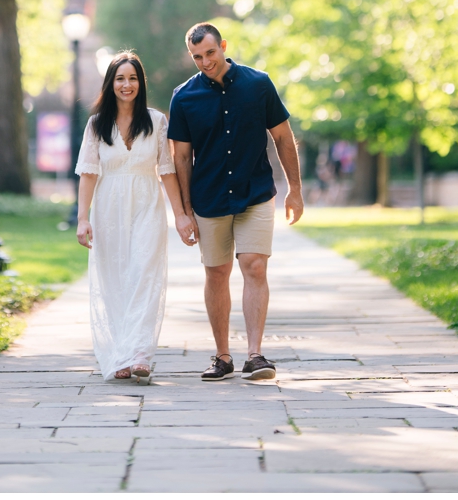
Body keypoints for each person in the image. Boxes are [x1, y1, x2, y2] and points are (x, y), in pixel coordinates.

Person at [168, 21, 304, 382]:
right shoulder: (183, 97)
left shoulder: (258, 84)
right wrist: (182, 212)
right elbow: (180, 159)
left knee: (254, 266)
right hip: (208, 198)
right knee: (216, 273)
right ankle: (222, 356)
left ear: (223, 46)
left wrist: (295, 189)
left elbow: (284, 138)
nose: (205, 62)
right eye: (197, 57)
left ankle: (256, 355)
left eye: (210, 53)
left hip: (255, 193)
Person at [75, 51, 192, 383]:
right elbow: (88, 173)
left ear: (141, 83)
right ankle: (121, 353)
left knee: (143, 274)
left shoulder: (156, 122)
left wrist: (181, 215)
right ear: (111, 84)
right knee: (114, 281)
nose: (127, 85)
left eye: (133, 78)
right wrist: (83, 218)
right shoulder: (97, 124)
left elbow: (167, 171)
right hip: (109, 209)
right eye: (120, 78)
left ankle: (140, 352)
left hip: (146, 207)